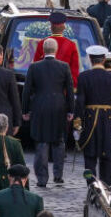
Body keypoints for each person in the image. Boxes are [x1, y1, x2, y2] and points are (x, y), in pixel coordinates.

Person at [22, 38, 74, 187]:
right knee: (59, 141)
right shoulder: (64, 67)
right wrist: (71, 109)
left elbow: (26, 90)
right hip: (59, 106)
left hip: (40, 106)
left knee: (41, 143)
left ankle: (42, 178)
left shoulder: (34, 67)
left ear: (43, 50)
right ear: (55, 50)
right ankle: (58, 175)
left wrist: (25, 110)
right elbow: (69, 90)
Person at [74, 45, 111, 184]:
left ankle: (91, 186)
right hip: (109, 122)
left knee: (90, 158)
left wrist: (77, 125)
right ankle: (106, 184)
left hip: (89, 121)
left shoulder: (84, 77)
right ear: (104, 59)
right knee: (107, 157)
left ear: (90, 59)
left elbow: (80, 103)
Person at [32, 11, 80, 85]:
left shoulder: (42, 43)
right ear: (64, 27)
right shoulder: (71, 45)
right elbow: (74, 71)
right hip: (64, 89)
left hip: (44, 86)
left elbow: (35, 67)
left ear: (51, 27)